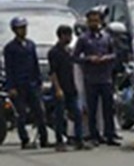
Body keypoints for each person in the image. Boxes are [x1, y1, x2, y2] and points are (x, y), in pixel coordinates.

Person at [74, 8, 119, 147]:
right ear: (87, 23)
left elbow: (115, 54)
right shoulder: (83, 39)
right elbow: (75, 57)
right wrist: (89, 59)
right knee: (92, 109)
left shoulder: (106, 37)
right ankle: (93, 135)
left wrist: (106, 58)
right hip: (91, 78)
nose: (94, 23)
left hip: (105, 78)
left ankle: (110, 134)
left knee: (108, 108)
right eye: (91, 21)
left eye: (96, 20)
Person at [3, 17, 49, 149]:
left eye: (24, 28)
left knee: (39, 112)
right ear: (14, 30)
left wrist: (39, 81)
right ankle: (25, 140)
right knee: (21, 114)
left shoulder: (31, 45)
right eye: (20, 28)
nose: (23, 31)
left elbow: (35, 64)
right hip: (18, 85)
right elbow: (9, 68)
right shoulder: (10, 48)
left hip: (32, 84)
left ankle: (43, 138)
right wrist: (11, 86)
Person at [48, 24, 87, 151]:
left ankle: (79, 141)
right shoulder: (54, 52)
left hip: (71, 88)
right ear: (61, 36)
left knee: (77, 114)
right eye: (68, 35)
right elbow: (53, 72)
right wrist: (58, 89)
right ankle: (59, 141)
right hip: (60, 88)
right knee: (59, 116)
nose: (70, 38)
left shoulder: (69, 51)